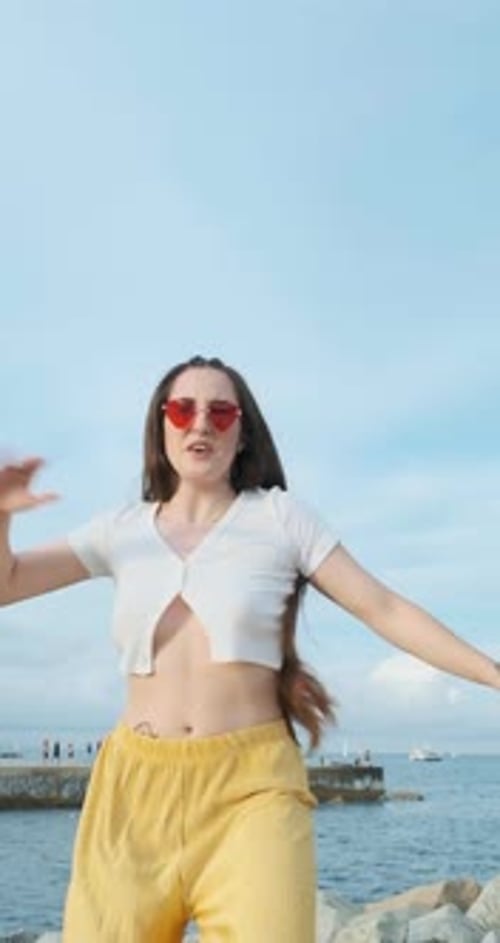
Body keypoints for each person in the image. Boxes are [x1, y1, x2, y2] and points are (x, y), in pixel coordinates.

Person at [0, 354, 498, 943]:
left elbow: (381, 608)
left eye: (221, 410)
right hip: (133, 792)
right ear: (162, 427)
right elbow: (8, 584)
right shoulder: (120, 530)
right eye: (183, 409)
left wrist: (494, 675)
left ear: (243, 433)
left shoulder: (282, 519)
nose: (201, 424)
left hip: (252, 789)